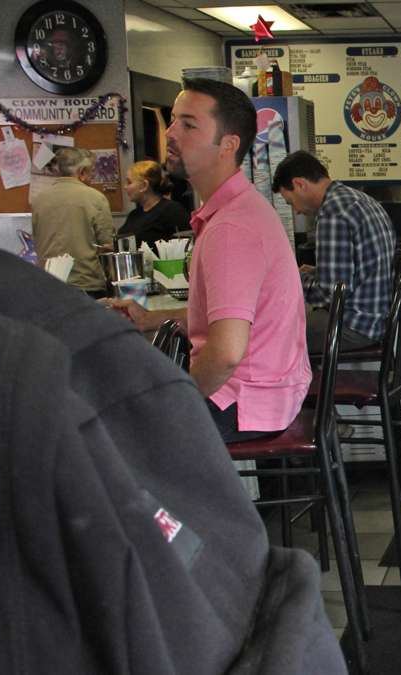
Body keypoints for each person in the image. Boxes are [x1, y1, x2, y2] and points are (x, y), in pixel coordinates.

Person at [0, 247, 344, 674]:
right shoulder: (22, 297)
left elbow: (225, 355)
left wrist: (186, 392)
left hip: (260, 407)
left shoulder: (229, 230)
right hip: (286, 399)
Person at [110, 78, 311, 444]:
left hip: (246, 402)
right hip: (268, 392)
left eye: (188, 125)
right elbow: (227, 326)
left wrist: (178, 399)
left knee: (112, 431)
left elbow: (227, 353)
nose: (171, 133)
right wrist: (152, 319)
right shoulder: (234, 211)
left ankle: (183, 503)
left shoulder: (231, 227)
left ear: (228, 145)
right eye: (173, 120)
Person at [271, 150, 396, 354]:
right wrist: (318, 272)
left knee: (271, 335)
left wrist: (292, 277)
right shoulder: (361, 199)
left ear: (300, 184)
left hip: (355, 326)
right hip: (379, 318)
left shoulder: (332, 213)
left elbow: (329, 294)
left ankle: (311, 386)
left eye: (290, 202)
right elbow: (358, 268)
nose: (296, 211)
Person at [30, 146, 114, 298]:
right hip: (86, 285)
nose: (92, 177)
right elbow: (107, 245)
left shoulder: (38, 200)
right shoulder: (95, 198)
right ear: (81, 172)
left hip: (48, 284)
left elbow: (37, 241)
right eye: (91, 172)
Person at [118, 159, 190, 247]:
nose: (125, 187)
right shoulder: (134, 215)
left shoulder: (172, 211)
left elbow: (187, 244)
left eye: (129, 182)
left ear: (144, 185)